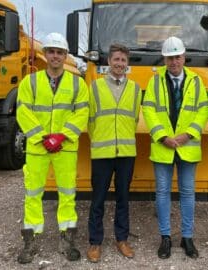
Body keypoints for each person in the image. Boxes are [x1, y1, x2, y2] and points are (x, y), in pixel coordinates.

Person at [16, 32, 89, 264]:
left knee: (67, 194)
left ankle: (67, 239)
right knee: (33, 194)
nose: (55, 56)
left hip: (65, 147)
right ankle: (31, 240)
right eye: (51, 51)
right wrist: (42, 137)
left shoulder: (78, 83)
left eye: (59, 52)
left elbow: (82, 113)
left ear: (66, 55)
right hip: (38, 148)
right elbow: (22, 111)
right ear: (45, 54)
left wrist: (61, 136)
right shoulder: (30, 82)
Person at [142, 36, 208, 259]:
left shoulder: (197, 81)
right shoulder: (154, 81)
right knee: (162, 193)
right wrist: (162, 137)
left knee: (188, 193)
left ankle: (187, 237)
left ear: (184, 57)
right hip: (163, 147)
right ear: (164, 59)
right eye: (169, 58)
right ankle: (166, 238)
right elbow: (149, 110)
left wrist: (187, 134)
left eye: (177, 57)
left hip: (187, 146)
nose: (174, 62)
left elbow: (202, 110)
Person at [86, 44, 142, 263]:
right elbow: (91, 119)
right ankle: (95, 242)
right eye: (116, 59)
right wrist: (100, 139)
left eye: (123, 60)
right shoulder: (95, 87)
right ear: (109, 61)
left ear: (127, 64)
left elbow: (134, 119)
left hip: (126, 152)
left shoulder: (136, 89)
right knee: (97, 199)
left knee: (123, 198)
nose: (120, 64)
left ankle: (122, 239)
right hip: (102, 152)